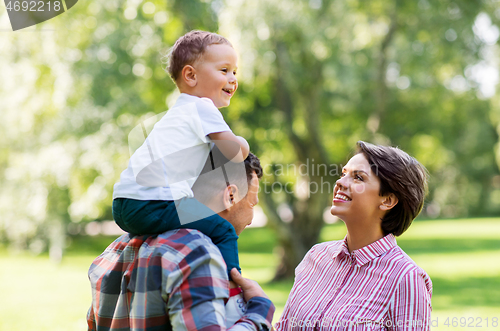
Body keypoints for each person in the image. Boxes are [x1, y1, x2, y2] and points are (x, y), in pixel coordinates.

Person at [112, 30, 250, 279]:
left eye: (235, 72)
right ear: (191, 75)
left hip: (125, 201)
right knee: (223, 231)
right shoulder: (202, 107)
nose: (233, 79)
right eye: (224, 70)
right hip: (154, 202)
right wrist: (243, 143)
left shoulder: (178, 113)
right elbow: (235, 153)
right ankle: (234, 282)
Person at [87, 153, 275, 330]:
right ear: (230, 196)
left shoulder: (113, 252)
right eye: (252, 204)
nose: (251, 219)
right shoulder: (197, 254)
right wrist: (259, 311)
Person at [275, 141, 432, 330]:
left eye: (358, 177)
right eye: (343, 174)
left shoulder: (406, 278)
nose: (340, 182)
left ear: (388, 200)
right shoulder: (316, 256)